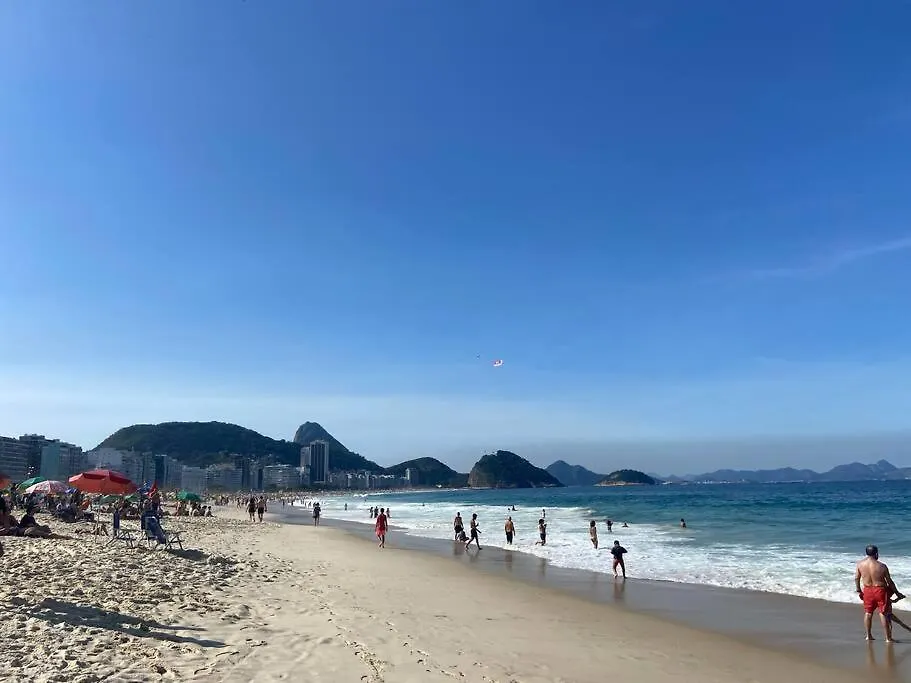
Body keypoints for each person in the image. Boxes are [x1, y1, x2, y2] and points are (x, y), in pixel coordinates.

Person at [856, 544, 902, 642]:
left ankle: (868, 636)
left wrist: (858, 589)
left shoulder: (860, 564)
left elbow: (856, 578)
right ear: (876, 553)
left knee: (868, 613)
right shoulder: (882, 566)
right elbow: (889, 582)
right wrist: (897, 593)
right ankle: (888, 638)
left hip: (867, 590)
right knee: (883, 613)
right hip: (880, 590)